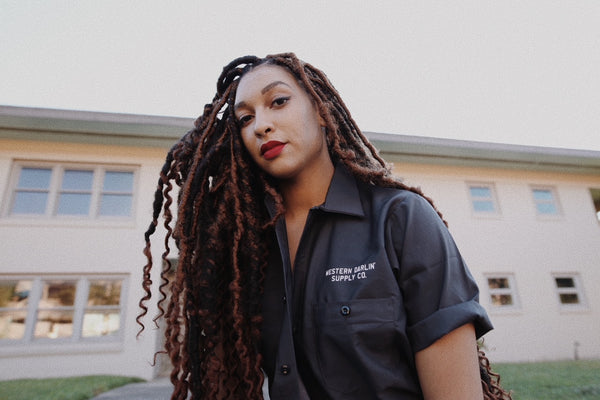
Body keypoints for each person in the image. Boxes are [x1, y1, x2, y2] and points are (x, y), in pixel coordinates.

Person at [138, 52, 512, 399]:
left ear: (320, 110)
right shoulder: (244, 250)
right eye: (245, 118)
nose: (261, 126)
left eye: (278, 102)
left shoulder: (400, 219)